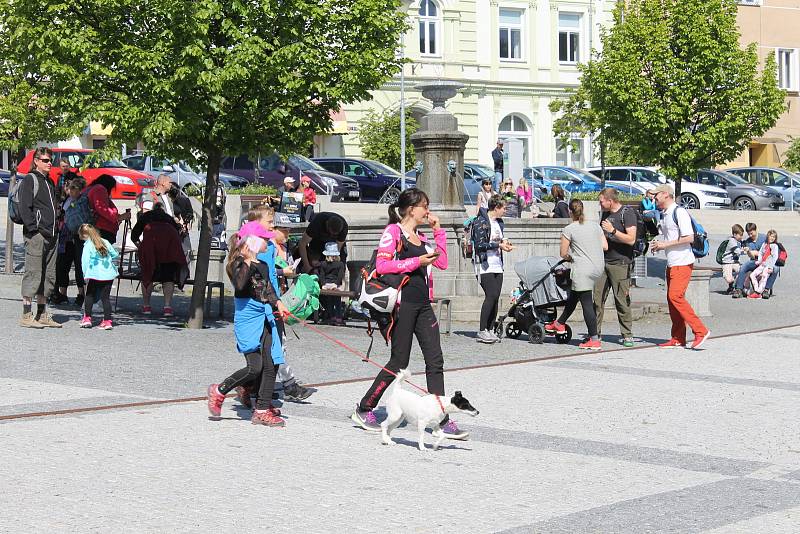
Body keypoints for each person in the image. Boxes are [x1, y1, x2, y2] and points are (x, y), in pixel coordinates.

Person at [351, 188, 469, 440]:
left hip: (424, 304)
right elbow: (382, 266)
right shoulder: (393, 231)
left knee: (435, 360)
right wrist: (417, 262)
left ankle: (441, 419)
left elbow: (442, 263)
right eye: (424, 206)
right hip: (402, 305)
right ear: (410, 209)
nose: (428, 211)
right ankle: (364, 408)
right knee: (398, 363)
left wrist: (439, 233)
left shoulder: (421, 235)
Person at [207, 221, 290, 427]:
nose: (267, 242)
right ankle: (220, 390)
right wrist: (247, 259)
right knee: (255, 368)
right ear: (252, 242)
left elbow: (267, 288)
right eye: (262, 239)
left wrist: (278, 303)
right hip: (248, 319)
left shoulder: (261, 264)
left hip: (266, 316)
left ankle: (262, 409)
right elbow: (241, 285)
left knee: (271, 362)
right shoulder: (239, 265)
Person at [245, 207, 315, 402]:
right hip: (262, 304)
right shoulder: (255, 245)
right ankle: (283, 386)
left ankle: (256, 389)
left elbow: (268, 275)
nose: (283, 231)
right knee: (272, 348)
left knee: (272, 347)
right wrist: (273, 298)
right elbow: (254, 273)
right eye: (272, 224)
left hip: (274, 301)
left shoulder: (270, 247)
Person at [650, 184, 711, 349]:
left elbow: (689, 237)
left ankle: (700, 330)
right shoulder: (665, 214)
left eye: (656, 195)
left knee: (675, 296)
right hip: (672, 262)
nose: (654, 198)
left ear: (665, 195)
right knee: (671, 300)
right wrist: (659, 244)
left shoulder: (679, 212)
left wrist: (665, 245)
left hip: (683, 261)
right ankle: (678, 337)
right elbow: (669, 236)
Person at [544, 199, 608, 350]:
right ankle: (559, 323)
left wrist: (572, 257)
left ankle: (594, 339)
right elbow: (605, 246)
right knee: (574, 296)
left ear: (569, 212)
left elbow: (563, 253)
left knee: (586, 303)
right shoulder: (595, 226)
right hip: (598, 268)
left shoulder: (569, 229)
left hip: (582, 269)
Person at [18, 147, 62, 328]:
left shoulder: (49, 181)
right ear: (36, 161)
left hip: (52, 235)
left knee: (49, 276)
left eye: (50, 160)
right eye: (45, 160)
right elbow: (24, 208)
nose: (49, 163)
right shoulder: (30, 179)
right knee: (33, 274)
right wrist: (33, 230)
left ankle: (42, 313)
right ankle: (26, 315)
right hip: (37, 235)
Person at [594, 188, 638, 347]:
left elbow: (631, 239)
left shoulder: (627, 213)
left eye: (601, 201)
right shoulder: (605, 214)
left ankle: (627, 335)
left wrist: (612, 230)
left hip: (621, 263)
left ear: (610, 200)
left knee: (621, 300)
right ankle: (594, 334)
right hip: (602, 262)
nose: (600, 204)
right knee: (597, 299)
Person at [131, 200, 188, 316]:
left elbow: (134, 235)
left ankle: (146, 306)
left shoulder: (145, 216)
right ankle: (167, 307)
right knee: (168, 278)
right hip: (169, 249)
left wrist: (141, 247)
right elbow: (177, 233)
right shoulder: (168, 218)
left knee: (148, 275)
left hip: (151, 247)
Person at [473, 195, 514, 343]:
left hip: (497, 264)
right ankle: (482, 329)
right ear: (496, 207)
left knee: (496, 297)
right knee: (490, 295)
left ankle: (490, 329)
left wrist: (506, 244)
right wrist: (498, 245)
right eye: (503, 208)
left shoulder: (499, 223)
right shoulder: (480, 221)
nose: (505, 211)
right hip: (485, 264)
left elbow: (501, 239)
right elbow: (479, 245)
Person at [78, 224, 119, 330]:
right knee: (105, 298)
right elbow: (115, 254)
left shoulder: (88, 245)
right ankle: (107, 321)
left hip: (94, 274)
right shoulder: (105, 241)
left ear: (84, 235)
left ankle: (87, 318)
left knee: (89, 295)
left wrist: (84, 274)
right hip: (108, 274)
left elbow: (85, 261)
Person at [53, 178, 86, 307]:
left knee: (79, 266)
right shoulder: (66, 200)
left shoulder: (82, 201)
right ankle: (63, 294)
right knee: (63, 265)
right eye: (69, 188)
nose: (70, 191)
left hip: (77, 237)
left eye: (73, 188)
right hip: (65, 238)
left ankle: (81, 294)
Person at [732, 223, 779, 299]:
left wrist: (757, 253)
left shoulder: (764, 238)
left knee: (776, 268)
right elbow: (752, 256)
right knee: (744, 266)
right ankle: (739, 289)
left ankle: (766, 290)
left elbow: (773, 251)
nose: (750, 235)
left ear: (756, 230)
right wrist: (749, 252)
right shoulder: (748, 241)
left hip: (767, 262)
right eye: (748, 234)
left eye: (751, 233)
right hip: (755, 261)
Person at [87, 173, 130, 244]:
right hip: (101, 229)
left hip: (97, 228)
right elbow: (102, 209)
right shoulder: (99, 189)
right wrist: (118, 217)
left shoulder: (92, 188)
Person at [319, 241, 346, 325]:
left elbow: (322, 275)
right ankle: (338, 317)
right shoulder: (340, 264)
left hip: (326, 284)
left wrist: (323, 284)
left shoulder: (323, 264)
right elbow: (340, 276)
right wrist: (336, 284)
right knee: (337, 301)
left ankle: (331, 316)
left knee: (329, 301)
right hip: (336, 285)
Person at [748, 229, 779, 299]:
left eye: (774, 237)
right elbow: (760, 253)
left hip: (768, 265)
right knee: (752, 275)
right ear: (768, 236)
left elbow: (775, 257)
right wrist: (759, 261)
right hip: (762, 264)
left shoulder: (774, 246)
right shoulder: (764, 244)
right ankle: (757, 291)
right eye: (771, 236)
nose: (772, 238)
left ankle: (758, 293)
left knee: (764, 277)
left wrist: (771, 267)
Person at [721, 224, 744, 294]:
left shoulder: (738, 241)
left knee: (742, 271)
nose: (741, 237)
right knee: (729, 279)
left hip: (734, 262)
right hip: (726, 262)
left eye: (742, 235)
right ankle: (731, 285)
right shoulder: (731, 241)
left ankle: (736, 286)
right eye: (740, 235)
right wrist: (746, 250)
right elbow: (738, 251)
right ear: (734, 234)